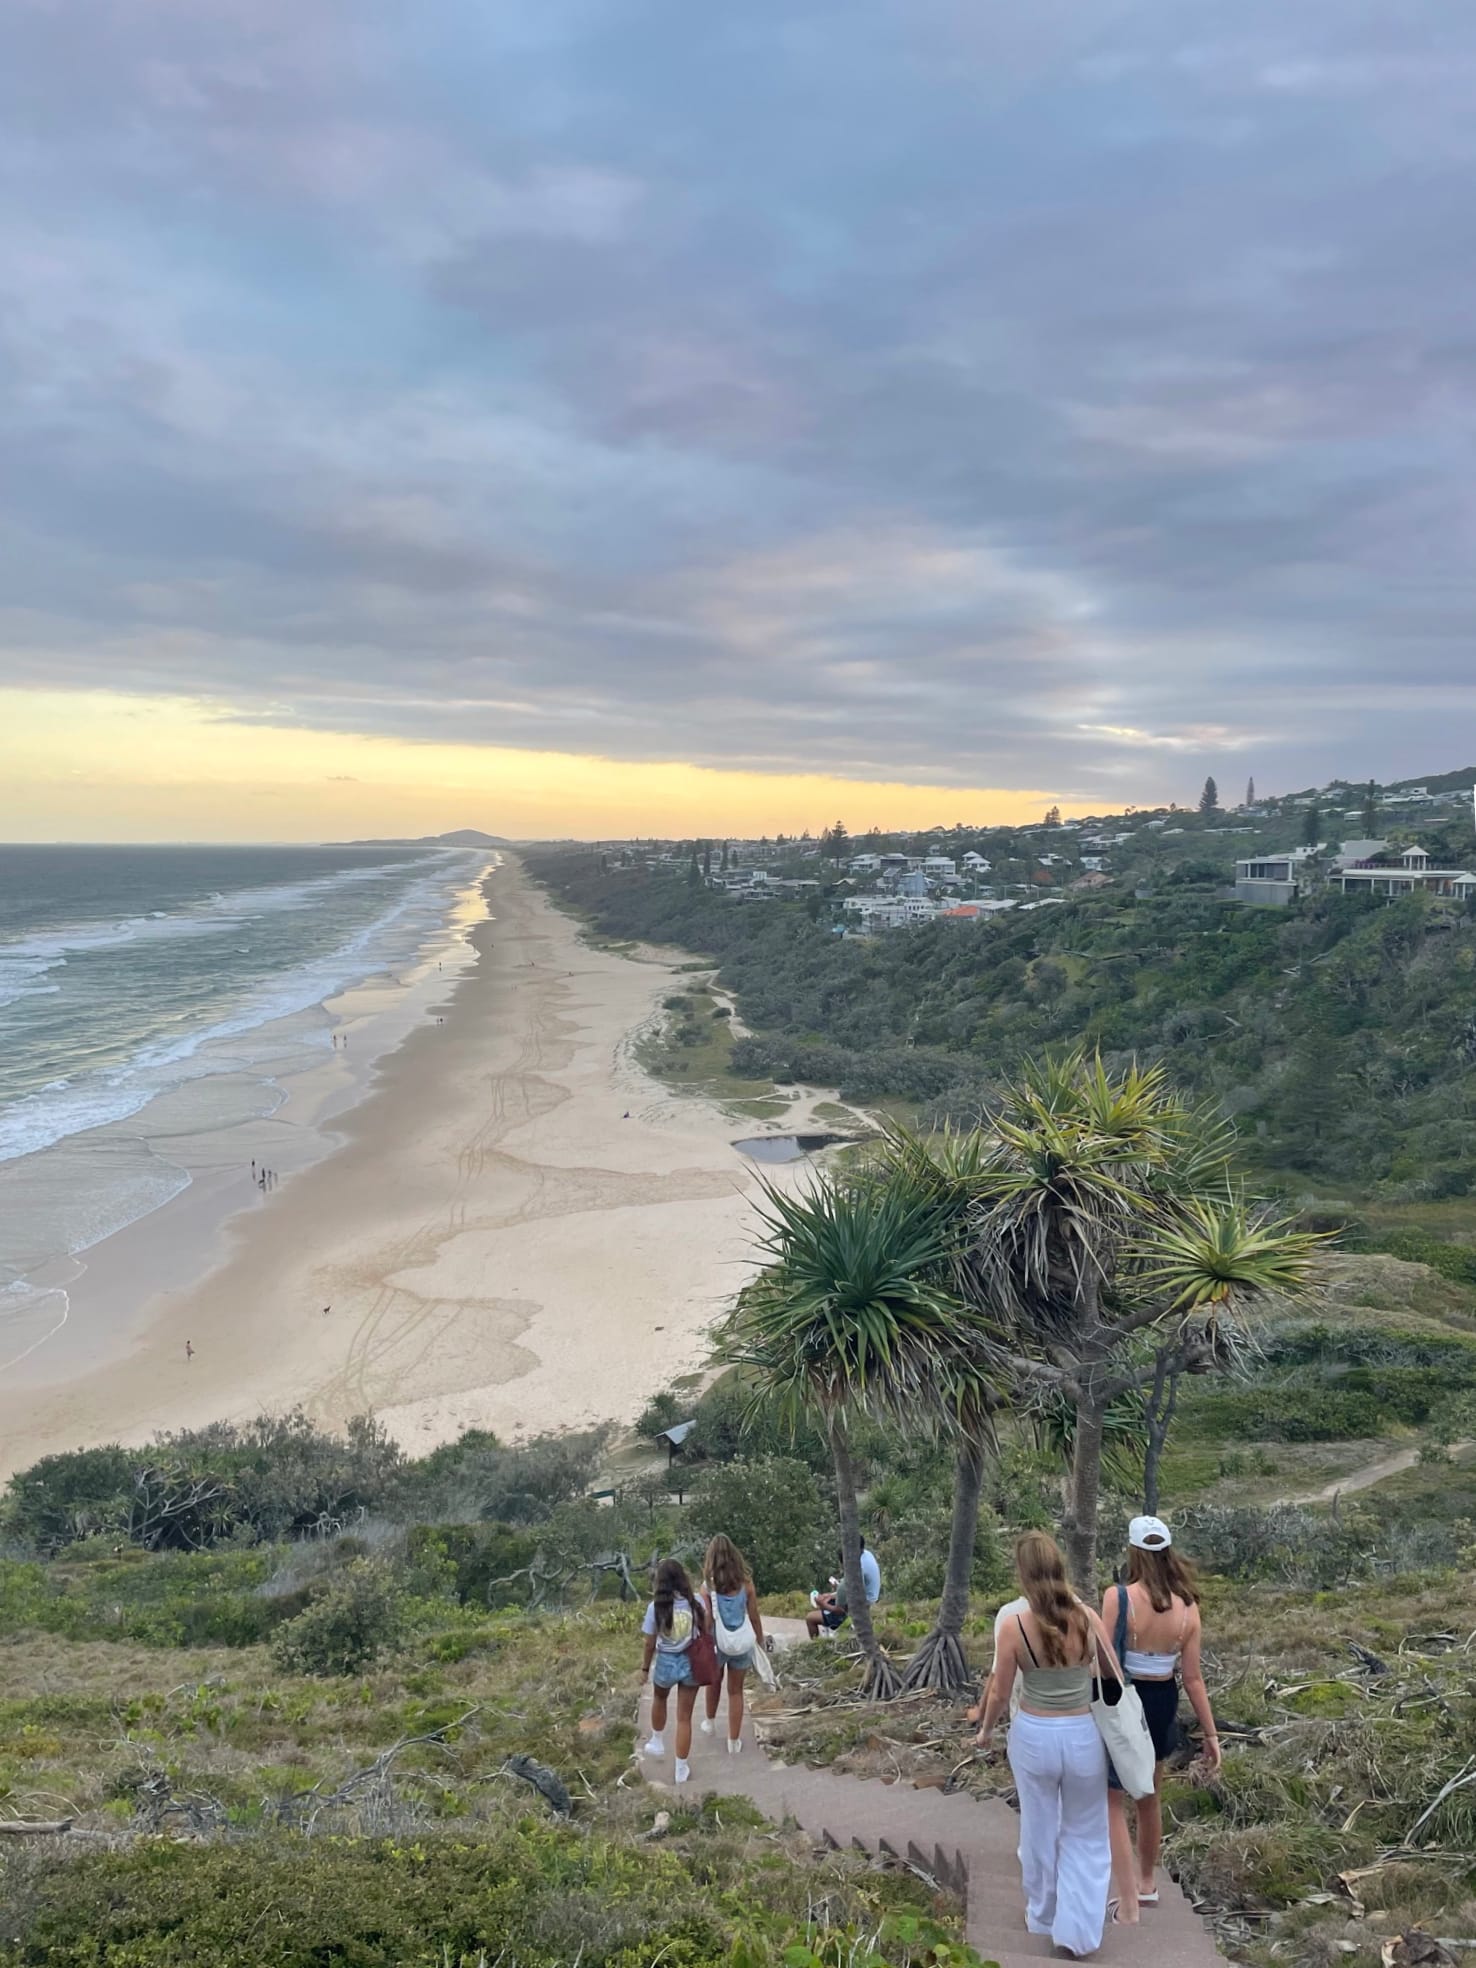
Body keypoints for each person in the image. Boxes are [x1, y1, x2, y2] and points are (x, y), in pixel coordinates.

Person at [976, 1531, 1120, 1959]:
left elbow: (1001, 1693)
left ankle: (1041, 1915)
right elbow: (1111, 1673)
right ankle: (1079, 1927)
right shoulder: (1086, 1618)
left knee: (1038, 1827)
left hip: (1034, 1736)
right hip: (1082, 1736)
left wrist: (985, 1730)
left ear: (1023, 1573)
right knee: (1086, 1832)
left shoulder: (1012, 1625)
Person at [1101, 1515, 1220, 1921]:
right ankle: (1147, 1881)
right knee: (1150, 1798)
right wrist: (1211, 1734)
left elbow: (1105, 1661)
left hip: (1125, 1701)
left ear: (1134, 1551)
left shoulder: (1118, 1597)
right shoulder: (1188, 1608)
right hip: (1163, 1701)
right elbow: (1193, 1678)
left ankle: (1122, 1887)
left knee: (1113, 1796)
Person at [640, 1557, 707, 1784]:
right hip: (690, 1662)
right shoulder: (696, 1601)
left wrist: (645, 1668)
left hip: (666, 1662)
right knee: (684, 1717)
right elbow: (706, 1629)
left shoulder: (655, 1607)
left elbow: (649, 1643)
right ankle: (681, 1768)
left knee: (659, 1698)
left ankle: (657, 1740)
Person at [699, 1534, 765, 1755]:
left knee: (714, 1683)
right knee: (735, 1691)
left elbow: (707, 1620)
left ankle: (709, 1721)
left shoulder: (708, 1587)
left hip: (718, 1644)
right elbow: (754, 1615)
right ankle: (733, 1741)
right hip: (742, 1643)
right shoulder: (746, 1584)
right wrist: (760, 1639)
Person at [804, 1538, 881, 1638]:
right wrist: (832, 1595)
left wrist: (822, 1604)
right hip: (870, 1597)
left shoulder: (852, 1576)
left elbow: (839, 1610)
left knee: (810, 1618)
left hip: (859, 1607)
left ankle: (817, 1644)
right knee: (828, 1599)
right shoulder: (867, 1554)